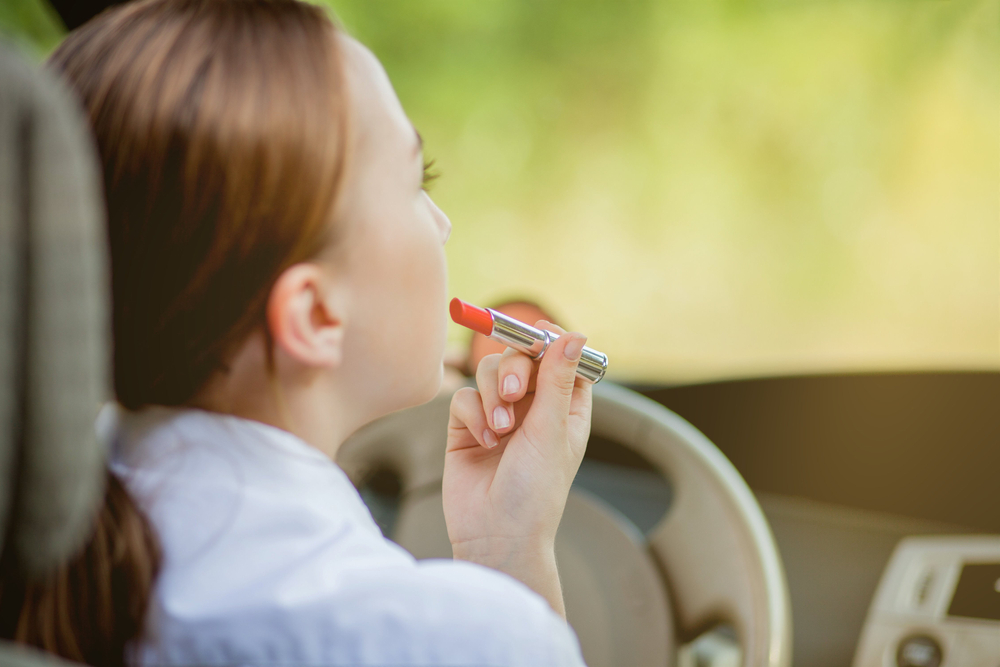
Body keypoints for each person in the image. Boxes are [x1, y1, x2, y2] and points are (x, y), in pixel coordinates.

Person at [41, 0, 593, 665]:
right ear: (315, 315)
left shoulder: (55, 542)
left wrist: (500, 543)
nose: (442, 223)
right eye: (418, 181)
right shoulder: (458, 640)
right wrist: (516, 582)